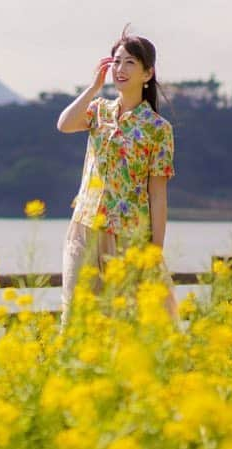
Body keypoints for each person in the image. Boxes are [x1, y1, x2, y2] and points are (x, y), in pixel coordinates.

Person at [56, 28, 177, 322]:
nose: (120, 69)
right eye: (116, 61)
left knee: (125, 321)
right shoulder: (98, 110)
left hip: (128, 233)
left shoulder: (158, 128)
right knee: (77, 315)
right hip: (85, 225)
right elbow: (64, 124)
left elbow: (157, 193)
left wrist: (154, 251)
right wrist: (93, 87)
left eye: (130, 63)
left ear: (148, 74)